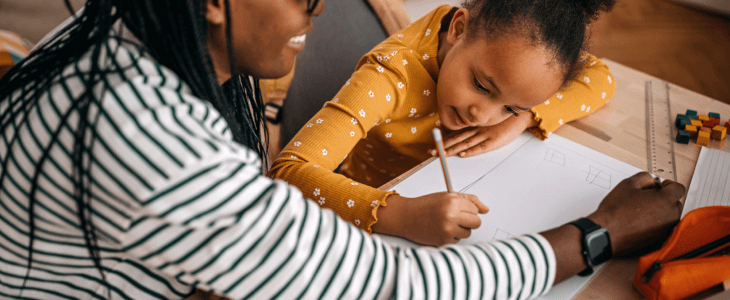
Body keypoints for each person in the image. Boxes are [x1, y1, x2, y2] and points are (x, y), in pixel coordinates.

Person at [0, 0, 685, 299]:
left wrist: (522, 118)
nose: (320, 12)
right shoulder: (156, 145)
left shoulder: (122, 34)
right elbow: (397, 283)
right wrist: (595, 235)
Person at [269, 0, 617, 246]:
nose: (483, 116)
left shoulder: (518, 52)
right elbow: (287, 171)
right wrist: (402, 214)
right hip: (371, 210)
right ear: (459, 28)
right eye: (482, 86)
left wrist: (525, 117)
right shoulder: (390, 75)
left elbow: (602, 77)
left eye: (508, 107)